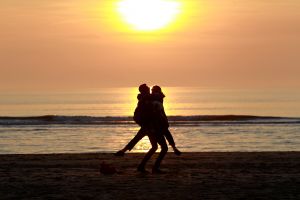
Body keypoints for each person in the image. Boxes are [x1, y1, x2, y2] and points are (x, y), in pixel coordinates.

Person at [115, 85, 181, 156]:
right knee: (162, 135)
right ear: (146, 90)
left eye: (151, 89)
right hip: (150, 123)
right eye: (149, 88)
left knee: (139, 138)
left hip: (151, 123)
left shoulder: (148, 97)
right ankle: (174, 148)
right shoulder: (147, 98)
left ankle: (123, 151)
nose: (150, 89)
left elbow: (156, 100)